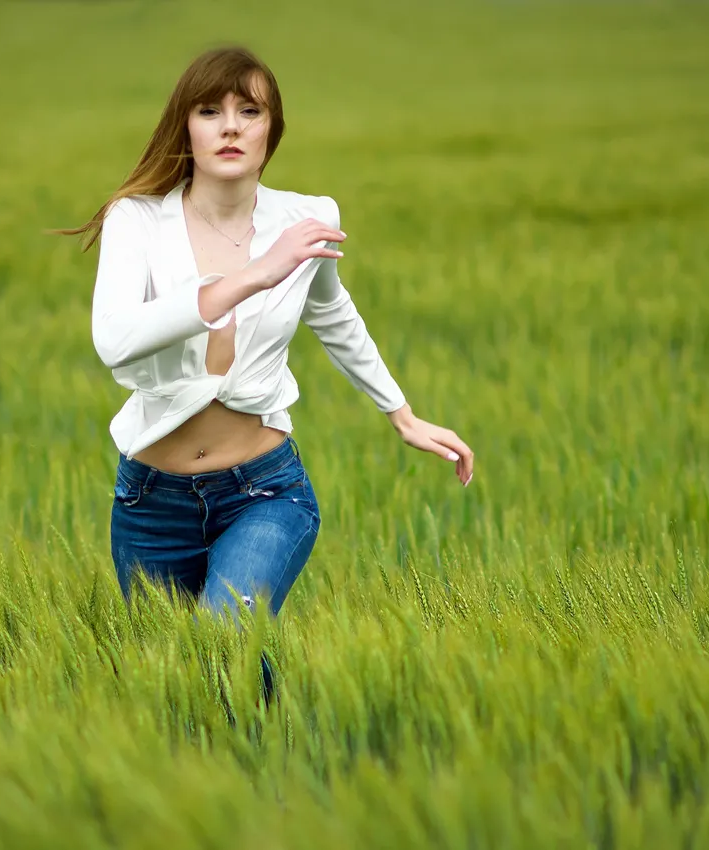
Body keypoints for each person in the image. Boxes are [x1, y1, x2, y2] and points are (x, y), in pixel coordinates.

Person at [54, 45, 474, 704]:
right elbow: (114, 341)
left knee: (226, 636)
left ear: (272, 129)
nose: (230, 126)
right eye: (209, 111)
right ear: (184, 125)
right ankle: (265, 751)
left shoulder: (307, 221)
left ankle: (276, 751)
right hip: (150, 504)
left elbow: (332, 312)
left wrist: (401, 413)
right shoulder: (136, 220)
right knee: (181, 688)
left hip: (263, 491)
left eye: (249, 111)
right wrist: (252, 276)